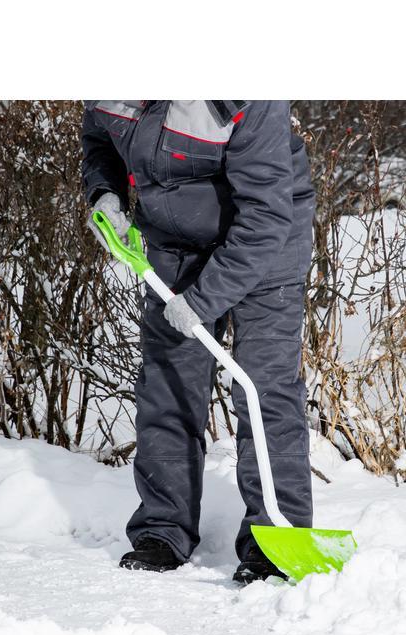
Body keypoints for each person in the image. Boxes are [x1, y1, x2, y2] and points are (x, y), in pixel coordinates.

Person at [82, 100, 315, 583]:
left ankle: (277, 540)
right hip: (172, 242)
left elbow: (266, 219)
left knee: (263, 388)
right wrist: (104, 193)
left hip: (266, 243)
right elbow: (101, 140)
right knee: (168, 383)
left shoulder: (246, 96)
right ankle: (163, 530)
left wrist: (204, 299)